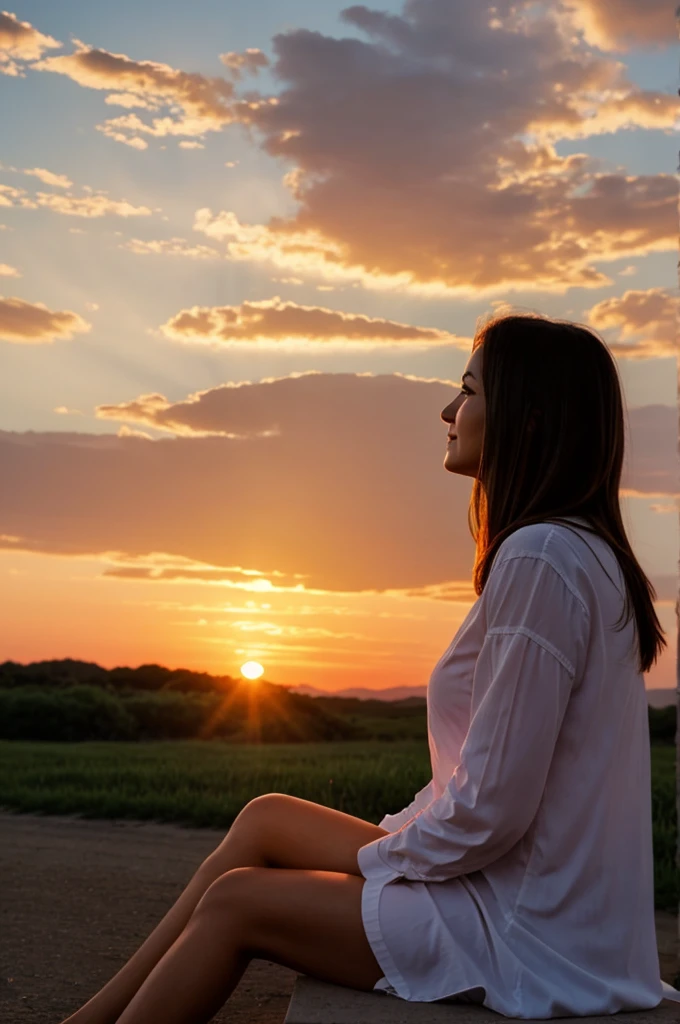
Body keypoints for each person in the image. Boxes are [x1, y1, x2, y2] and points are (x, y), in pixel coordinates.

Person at [59, 311, 678, 1024]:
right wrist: (391, 844)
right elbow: (471, 781)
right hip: (526, 896)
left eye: (469, 391)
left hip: (525, 928)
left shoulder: (540, 557)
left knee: (238, 902)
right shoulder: (574, 549)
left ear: (528, 418)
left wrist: (382, 862)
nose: (448, 410)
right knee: (266, 820)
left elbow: (494, 810)